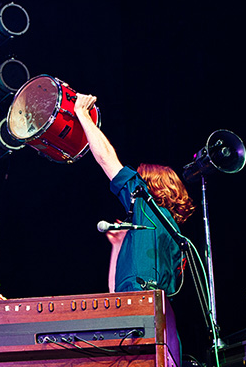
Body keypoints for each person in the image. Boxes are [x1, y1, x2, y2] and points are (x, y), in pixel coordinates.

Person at [74, 94, 195, 295]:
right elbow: (115, 292)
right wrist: (118, 244)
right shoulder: (172, 235)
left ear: (152, 185)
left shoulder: (146, 206)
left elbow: (106, 159)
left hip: (141, 308)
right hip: (149, 310)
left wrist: (82, 114)